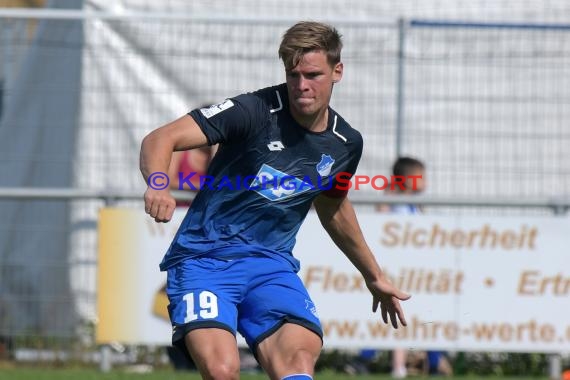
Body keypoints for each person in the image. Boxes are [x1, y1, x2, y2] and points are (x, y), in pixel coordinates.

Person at [140, 21, 410, 380]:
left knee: (298, 364)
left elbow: (333, 206)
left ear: (337, 71)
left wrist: (372, 275)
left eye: (313, 74)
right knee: (222, 371)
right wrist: (159, 183)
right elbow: (161, 138)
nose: (301, 85)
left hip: (271, 267)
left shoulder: (345, 143)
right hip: (204, 260)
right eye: (293, 74)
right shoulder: (252, 110)